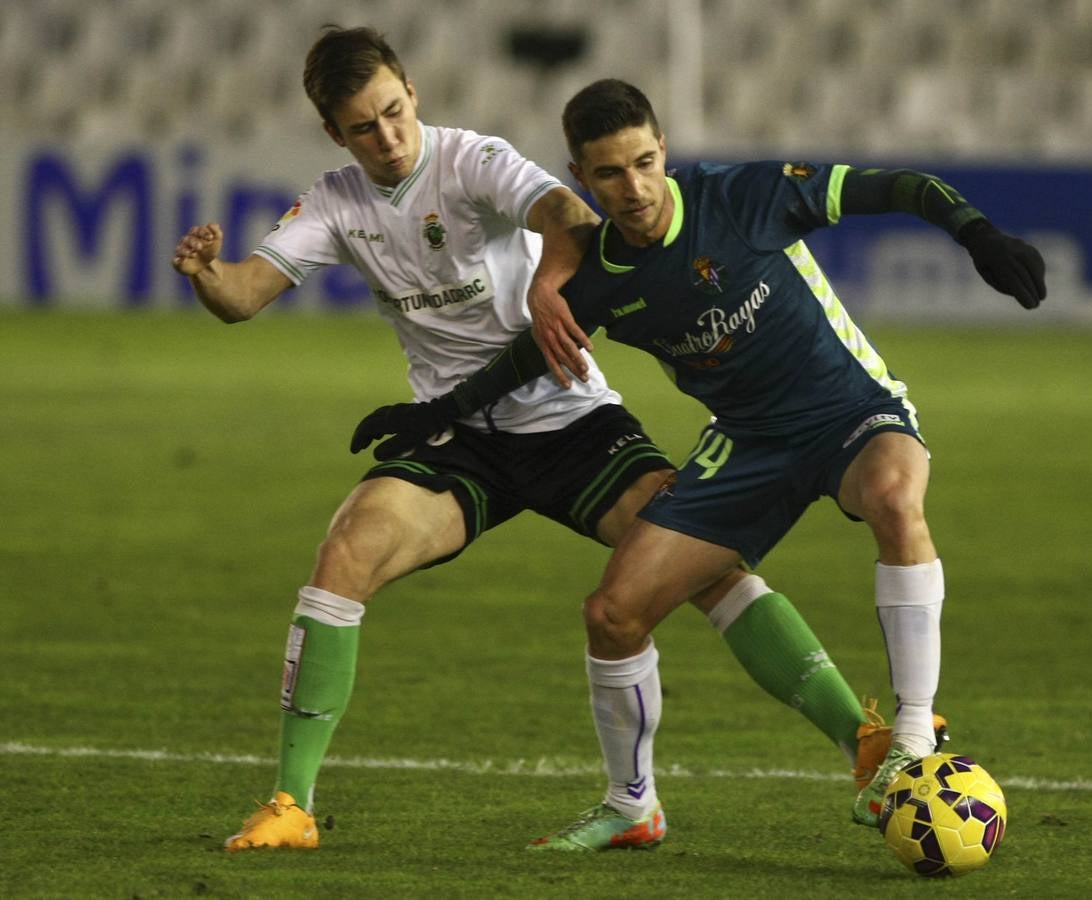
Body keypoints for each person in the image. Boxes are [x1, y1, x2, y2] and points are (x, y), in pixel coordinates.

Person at [171, 29, 908, 854]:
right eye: (361, 128)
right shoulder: (336, 200)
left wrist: (550, 288)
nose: (385, 138)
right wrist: (208, 276)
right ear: (334, 136)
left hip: (570, 420)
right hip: (455, 434)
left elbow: (566, 213)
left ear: (412, 92)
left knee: (707, 570)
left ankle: (866, 744)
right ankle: (290, 806)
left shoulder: (471, 159)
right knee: (343, 555)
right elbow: (243, 297)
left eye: (391, 113)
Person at [353, 77, 1045, 845]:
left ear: (664, 152)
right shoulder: (601, 278)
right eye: (610, 174)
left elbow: (900, 186)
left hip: (849, 412)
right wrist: (437, 411)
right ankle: (630, 806)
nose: (635, 187)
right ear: (580, 179)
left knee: (891, 495)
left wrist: (976, 232)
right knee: (612, 616)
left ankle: (911, 740)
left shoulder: (744, 195)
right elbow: (527, 359)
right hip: (746, 442)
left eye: (645, 162)